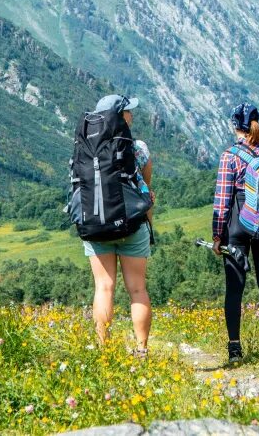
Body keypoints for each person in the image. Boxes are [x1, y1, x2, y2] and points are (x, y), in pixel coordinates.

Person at [212, 102, 259, 363]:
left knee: (235, 287)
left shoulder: (230, 156)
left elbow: (222, 199)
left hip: (238, 224)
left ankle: (234, 349)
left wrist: (218, 235)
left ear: (235, 126)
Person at [84, 94, 155, 356]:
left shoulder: (86, 146)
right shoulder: (138, 148)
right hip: (131, 225)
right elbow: (146, 189)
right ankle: (141, 349)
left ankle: (103, 349)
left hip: (96, 224)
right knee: (137, 288)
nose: (132, 115)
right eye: (128, 111)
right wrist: (149, 223)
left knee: (104, 287)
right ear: (121, 117)